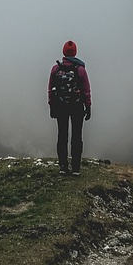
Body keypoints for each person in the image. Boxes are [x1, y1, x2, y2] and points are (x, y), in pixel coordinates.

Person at [48, 39, 91, 176]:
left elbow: (51, 89)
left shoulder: (56, 69)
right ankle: (76, 168)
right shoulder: (80, 70)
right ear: (75, 52)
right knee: (76, 137)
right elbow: (86, 90)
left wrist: (51, 106)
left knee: (62, 136)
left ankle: (63, 167)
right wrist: (88, 106)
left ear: (64, 52)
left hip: (60, 106)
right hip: (77, 106)